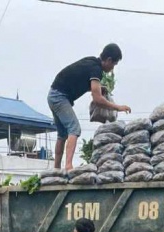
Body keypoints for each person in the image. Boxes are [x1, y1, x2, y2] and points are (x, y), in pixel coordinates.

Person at [48, 44, 131, 172]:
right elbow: (97, 99)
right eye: (113, 64)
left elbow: (81, 80)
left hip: (54, 94)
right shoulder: (96, 69)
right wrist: (117, 107)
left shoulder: (91, 62)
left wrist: (100, 88)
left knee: (62, 134)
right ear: (108, 60)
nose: (112, 68)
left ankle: (56, 170)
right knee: (74, 129)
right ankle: (68, 167)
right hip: (60, 97)